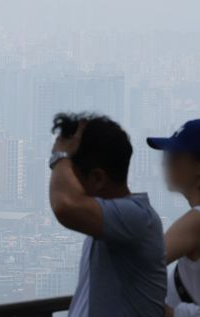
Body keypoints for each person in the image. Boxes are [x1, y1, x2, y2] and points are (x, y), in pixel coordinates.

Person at [49, 112, 166, 317]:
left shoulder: (137, 219)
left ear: (97, 178)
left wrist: (60, 157)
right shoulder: (108, 223)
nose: (70, 186)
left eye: (71, 176)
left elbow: (66, 206)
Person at [147, 120, 200, 317]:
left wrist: (171, 313)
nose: (165, 161)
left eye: (176, 156)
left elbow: (139, 265)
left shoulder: (195, 221)